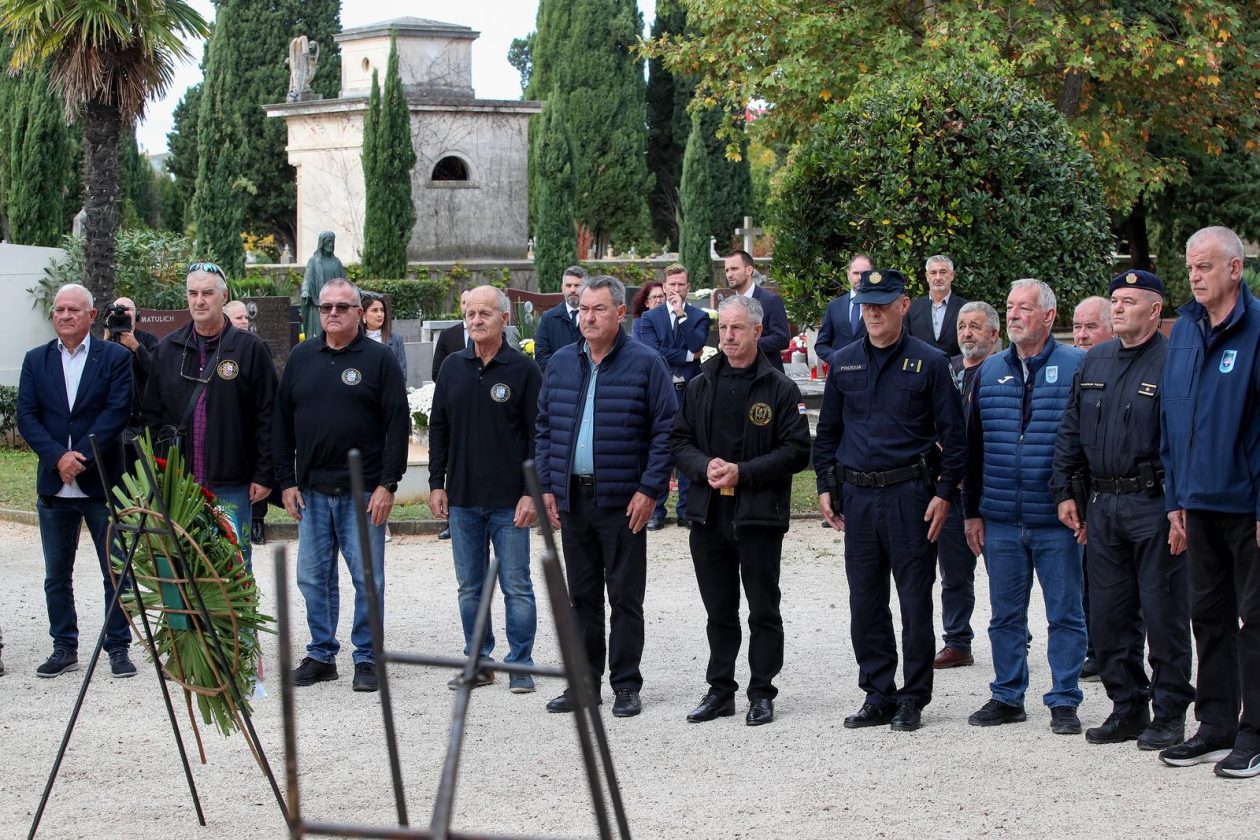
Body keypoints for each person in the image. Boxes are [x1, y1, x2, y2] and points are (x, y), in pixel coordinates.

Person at [814, 268, 967, 732]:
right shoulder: (844, 362)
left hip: (910, 497)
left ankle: (913, 696)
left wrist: (944, 496)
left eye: (883, 302)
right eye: (867, 304)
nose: (874, 311)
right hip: (858, 498)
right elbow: (827, 435)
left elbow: (955, 439)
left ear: (904, 305)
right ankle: (878, 693)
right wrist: (825, 486)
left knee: (914, 601)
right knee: (865, 601)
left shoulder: (930, 362)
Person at [1052, 269, 1193, 751]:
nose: (1117, 307)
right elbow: (1070, 429)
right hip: (1102, 504)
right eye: (1114, 299)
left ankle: (1170, 711)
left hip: (1154, 505)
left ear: (1155, 310)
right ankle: (1127, 706)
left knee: (1163, 614)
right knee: (1109, 616)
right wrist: (1065, 491)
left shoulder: (1175, 361)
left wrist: (1181, 505)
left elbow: (1186, 440)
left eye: (1129, 300)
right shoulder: (1096, 359)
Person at [535, 275, 677, 718]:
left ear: (620, 313)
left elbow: (666, 430)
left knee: (625, 597)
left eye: (598, 309)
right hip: (574, 500)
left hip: (622, 501)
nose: (588, 317)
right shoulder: (560, 363)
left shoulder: (646, 363)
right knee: (581, 598)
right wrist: (547, 486)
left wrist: (650, 489)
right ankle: (583, 684)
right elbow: (543, 428)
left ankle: (626, 684)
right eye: (583, 309)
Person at [670, 295, 811, 726]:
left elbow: (797, 451)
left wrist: (742, 472)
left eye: (737, 328)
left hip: (758, 515)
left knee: (762, 607)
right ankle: (720, 690)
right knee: (719, 609)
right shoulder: (701, 383)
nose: (728, 336)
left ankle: (762, 691)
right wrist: (703, 465)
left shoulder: (780, 388)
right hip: (708, 513)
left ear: (756, 331)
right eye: (723, 328)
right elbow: (679, 441)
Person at [273, 279, 410, 693]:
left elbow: (397, 425)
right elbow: (281, 423)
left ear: (358, 311)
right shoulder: (300, 357)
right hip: (312, 492)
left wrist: (389, 484)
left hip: (365, 493)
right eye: (326, 306)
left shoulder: (379, 359)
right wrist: (286, 481)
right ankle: (321, 654)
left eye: (342, 307)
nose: (332, 313)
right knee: (313, 578)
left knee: (368, 579)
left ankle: (368, 658)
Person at [963, 279, 1088, 735]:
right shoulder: (989, 372)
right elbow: (972, 450)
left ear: (1049, 316)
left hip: (1056, 518)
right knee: (1004, 615)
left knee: (1065, 614)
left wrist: (1083, 505)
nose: (1013, 315)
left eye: (1024, 309)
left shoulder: (1078, 366)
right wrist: (970, 511)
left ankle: (1064, 699)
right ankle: (1007, 694)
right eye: (1010, 307)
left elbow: (1087, 445)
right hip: (1000, 518)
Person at [1158, 226, 1260, 778]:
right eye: (1190, 266)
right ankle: (1216, 722)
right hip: (1198, 503)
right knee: (1209, 618)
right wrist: (1176, 495)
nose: (1194, 275)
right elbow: (1175, 419)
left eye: (1204, 266)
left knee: (1256, 622)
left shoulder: (1257, 327)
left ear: (1234, 269)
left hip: (1247, 505)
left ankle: (1254, 733)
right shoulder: (1189, 331)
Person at [18, 284, 136, 678]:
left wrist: (80, 456)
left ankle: (118, 648)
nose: (65, 315)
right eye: (59, 309)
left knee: (115, 571)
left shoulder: (115, 358)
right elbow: (27, 417)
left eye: (73, 309)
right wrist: (57, 458)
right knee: (56, 574)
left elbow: (118, 411)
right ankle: (64, 646)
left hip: (101, 482)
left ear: (90, 316)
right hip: (54, 487)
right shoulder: (35, 361)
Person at [428, 285, 541, 694]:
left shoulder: (524, 370)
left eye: (484, 314)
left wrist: (532, 491)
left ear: (504, 319)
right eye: (470, 314)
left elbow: (537, 435)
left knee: (516, 584)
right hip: (461, 498)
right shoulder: (453, 368)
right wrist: (435, 483)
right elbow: (438, 428)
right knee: (470, 587)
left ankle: (521, 663)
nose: (476, 321)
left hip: (510, 500)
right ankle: (479, 660)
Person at [142, 262, 277, 566]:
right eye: (192, 293)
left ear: (223, 297)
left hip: (231, 484)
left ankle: (232, 618)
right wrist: (159, 472)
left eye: (206, 293)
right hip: (181, 484)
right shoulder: (167, 349)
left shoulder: (251, 349)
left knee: (234, 568)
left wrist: (263, 474)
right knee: (183, 567)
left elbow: (269, 416)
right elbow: (152, 416)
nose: (199, 300)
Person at [933, 301, 1001, 669]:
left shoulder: (1002, 371)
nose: (967, 333)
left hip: (990, 487)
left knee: (1004, 571)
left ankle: (1014, 636)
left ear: (993, 335)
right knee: (953, 572)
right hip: (951, 489)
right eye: (962, 326)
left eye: (975, 327)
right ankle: (957, 640)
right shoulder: (946, 371)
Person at [637, 264, 711, 530]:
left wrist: (682, 315)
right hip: (660, 392)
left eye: (681, 285)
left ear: (688, 288)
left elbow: (696, 344)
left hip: (690, 392)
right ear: (665, 286)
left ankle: (687, 509)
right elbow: (653, 353)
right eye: (672, 285)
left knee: (691, 448)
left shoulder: (699, 316)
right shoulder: (649, 318)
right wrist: (690, 357)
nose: (676, 289)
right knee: (659, 448)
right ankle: (656, 509)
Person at [1070, 294, 1115, 680]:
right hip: (1080, 491)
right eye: (1078, 327)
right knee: (1085, 577)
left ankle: (1109, 651)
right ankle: (1092, 648)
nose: (1081, 336)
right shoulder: (1073, 368)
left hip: (1116, 492)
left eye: (1091, 327)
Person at [723, 250, 789, 372]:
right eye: (727, 270)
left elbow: (782, 339)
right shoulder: (728, 304)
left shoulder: (771, 300)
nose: (729, 274)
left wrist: (747, 343)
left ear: (749, 270)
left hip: (766, 374)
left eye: (734, 269)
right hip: (735, 375)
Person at [814, 253, 873, 363]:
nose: (860, 277)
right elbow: (821, 345)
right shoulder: (834, 306)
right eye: (856, 273)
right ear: (848, 275)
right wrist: (838, 359)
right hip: (839, 375)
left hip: (872, 374)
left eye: (865, 273)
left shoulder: (881, 306)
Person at [908, 255, 968, 358]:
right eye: (933, 273)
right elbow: (906, 341)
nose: (938, 277)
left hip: (955, 370)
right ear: (927, 276)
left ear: (952, 275)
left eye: (943, 272)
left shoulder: (966, 308)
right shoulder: (912, 308)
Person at [534, 266, 587, 371]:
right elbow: (541, 355)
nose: (572, 290)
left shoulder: (593, 318)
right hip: (558, 380)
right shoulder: (549, 318)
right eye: (568, 285)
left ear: (586, 288)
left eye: (577, 285)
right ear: (562, 288)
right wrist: (565, 369)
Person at [299, 231, 346, 341]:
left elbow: (344, 281)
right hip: (319, 305)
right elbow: (308, 279)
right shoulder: (314, 261)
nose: (331, 244)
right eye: (328, 242)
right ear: (322, 243)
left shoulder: (336, 262)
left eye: (332, 242)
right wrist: (305, 290)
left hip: (336, 305)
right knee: (319, 336)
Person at [362, 292, 408, 383]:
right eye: (375, 310)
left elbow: (402, 374)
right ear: (363, 315)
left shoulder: (396, 339)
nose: (380, 314)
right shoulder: (356, 340)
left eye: (382, 310)